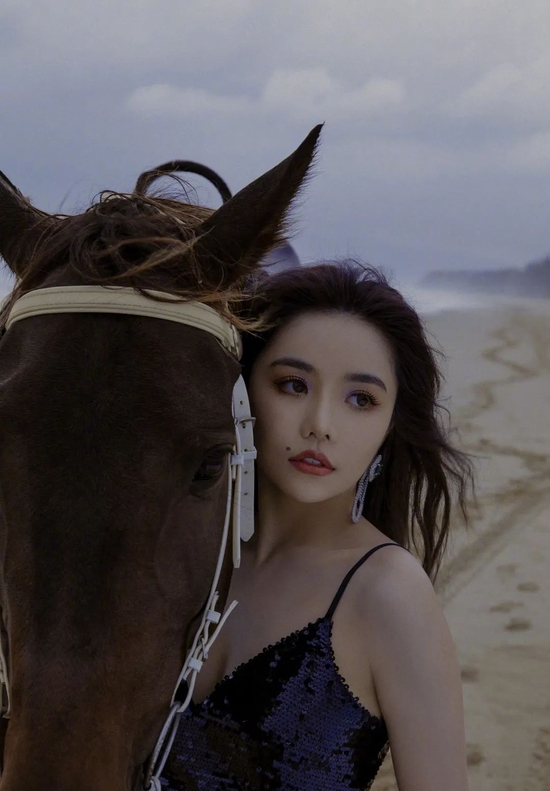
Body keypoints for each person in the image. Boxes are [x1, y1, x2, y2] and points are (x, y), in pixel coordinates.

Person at [161, 261, 473, 791]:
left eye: (360, 399)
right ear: (243, 393)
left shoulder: (387, 594)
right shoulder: (181, 554)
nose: (320, 425)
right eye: (292, 384)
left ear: (390, 424)